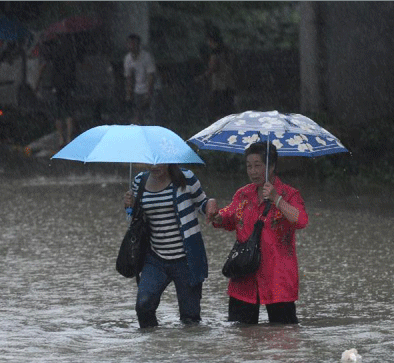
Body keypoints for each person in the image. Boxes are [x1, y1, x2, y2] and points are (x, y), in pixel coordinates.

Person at [209, 142, 308, 324]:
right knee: (241, 339)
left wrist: (276, 199)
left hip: (278, 278)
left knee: (283, 340)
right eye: (249, 166)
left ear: (271, 167)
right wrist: (216, 216)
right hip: (244, 277)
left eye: (258, 166)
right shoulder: (243, 194)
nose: (253, 171)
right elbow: (229, 218)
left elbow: (301, 220)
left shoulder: (289, 194)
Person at [123, 164, 218, 328]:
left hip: (187, 259)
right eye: (150, 162)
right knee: (143, 306)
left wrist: (210, 204)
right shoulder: (139, 181)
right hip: (155, 258)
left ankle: (187, 352)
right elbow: (133, 220)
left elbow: (202, 204)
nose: (154, 166)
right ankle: (152, 348)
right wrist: (129, 207)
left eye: (159, 161)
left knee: (190, 319)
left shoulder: (186, 177)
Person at [35, 35, 79, 148]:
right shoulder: (72, 53)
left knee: (57, 113)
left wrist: (38, 82)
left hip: (57, 84)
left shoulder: (54, 52)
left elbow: (44, 65)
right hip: (69, 84)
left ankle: (61, 138)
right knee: (69, 111)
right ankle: (69, 139)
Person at [202, 26, 236, 122]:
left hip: (219, 85)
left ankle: (219, 129)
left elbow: (213, 68)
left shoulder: (215, 53)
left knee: (218, 110)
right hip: (230, 84)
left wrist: (203, 77)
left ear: (211, 40)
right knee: (228, 110)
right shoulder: (228, 51)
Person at [123, 33, 157, 124]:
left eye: (134, 43)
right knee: (138, 114)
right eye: (130, 43)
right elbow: (129, 77)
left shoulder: (146, 57)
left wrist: (148, 94)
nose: (132, 46)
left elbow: (151, 75)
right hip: (137, 90)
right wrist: (128, 93)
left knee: (152, 114)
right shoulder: (128, 59)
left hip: (150, 88)